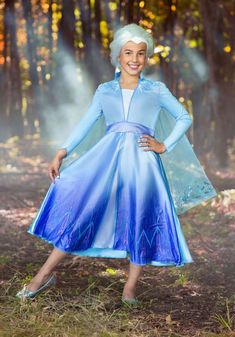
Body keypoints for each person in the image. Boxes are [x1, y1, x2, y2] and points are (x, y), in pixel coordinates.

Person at [16, 23, 217, 304]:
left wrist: (164, 145)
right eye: (128, 53)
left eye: (141, 53)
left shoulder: (156, 89)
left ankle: (129, 289)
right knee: (82, 212)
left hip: (143, 164)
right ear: (118, 57)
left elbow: (184, 117)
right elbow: (86, 124)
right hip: (107, 160)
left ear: (146, 58)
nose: (134, 59)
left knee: (140, 217)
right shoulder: (105, 91)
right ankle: (43, 276)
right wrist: (62, 151)